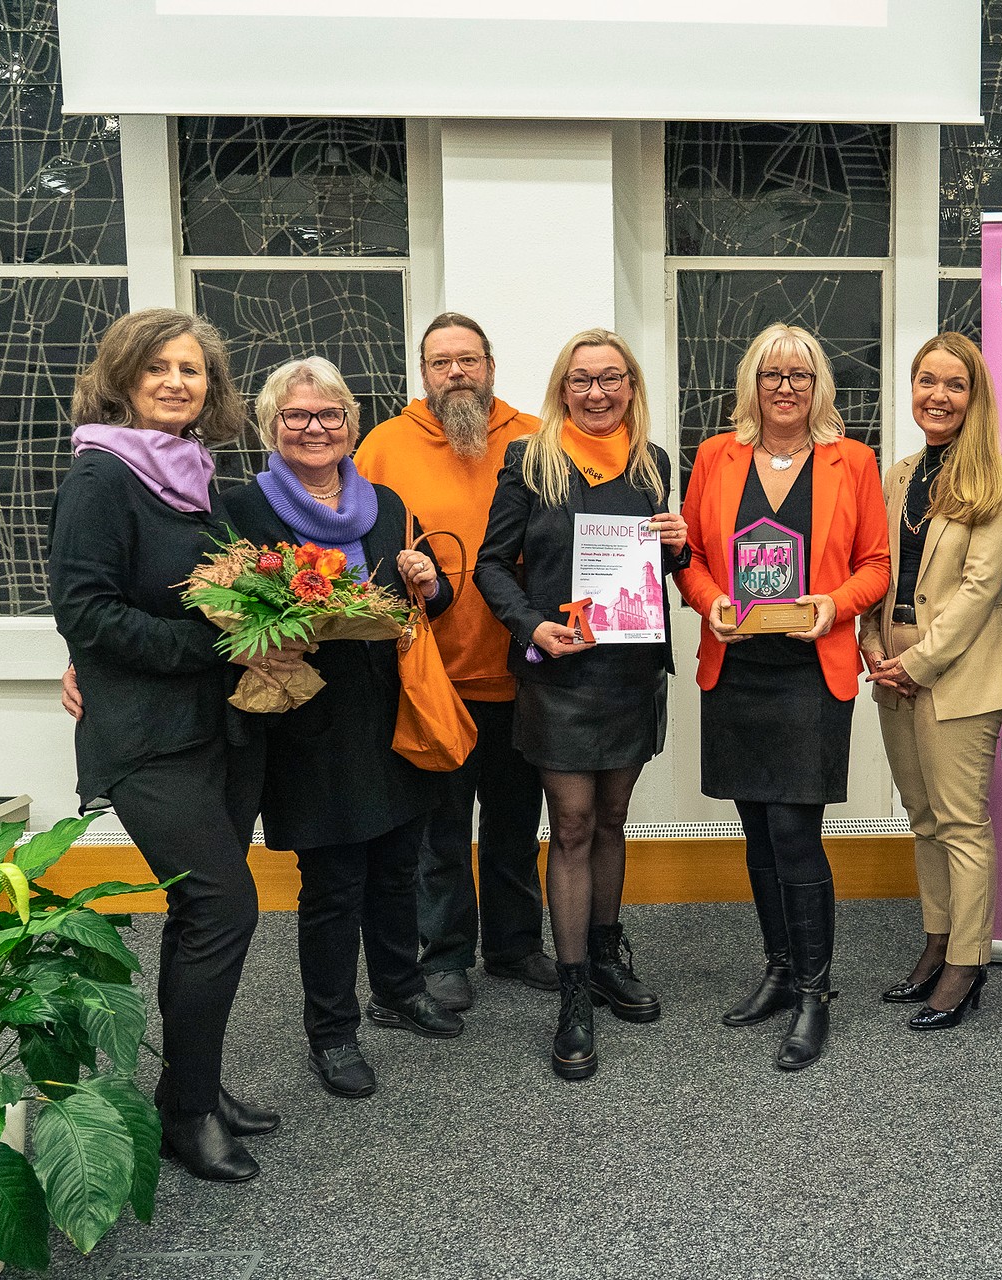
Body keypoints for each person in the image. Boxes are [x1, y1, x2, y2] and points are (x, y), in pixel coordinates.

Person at [48, 308, 296, 1182]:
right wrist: (216, 648)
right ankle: (187, 1116)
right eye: (157, 367)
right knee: (224, 909)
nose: (175, 382)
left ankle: (193, 1088)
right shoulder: (101, 476)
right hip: (148, 738)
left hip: (218, 729)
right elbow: (85, 612)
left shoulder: (193, 474)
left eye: (191, 369)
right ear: (122, 378)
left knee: (200, 915)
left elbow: (214, 592)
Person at [220, 357, 464, 1101]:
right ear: (271, 426)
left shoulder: (387, 505)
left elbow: (431, 603)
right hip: (309, 720)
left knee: (397, 864)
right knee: (333, 884)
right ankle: (332, 1031)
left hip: (394, 708)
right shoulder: (244, 511)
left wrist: (430, 582)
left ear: (352, 426)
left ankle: (399, 987)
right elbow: (225, 614)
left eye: (329, 415)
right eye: (296, 416)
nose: (314, 428)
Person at [674, 322, 890, 1071]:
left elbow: (875, 564)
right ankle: (776, 968)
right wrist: (710, 603)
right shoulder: (715, 456)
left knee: (796, 834)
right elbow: (690, 556)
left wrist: (834, 604)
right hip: (736, 671)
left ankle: (813, 993)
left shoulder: (852, 460)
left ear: (819, 384)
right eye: (773, 374)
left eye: (800, 374)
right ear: (753, 384)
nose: (786, 387)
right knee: (758, 834)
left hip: (809, 674)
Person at [475, 329, 688, 1080]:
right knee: (570, 825)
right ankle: (572, 994)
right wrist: (530, 625)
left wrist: (679, 543)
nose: (597, 393)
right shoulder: (530, 460)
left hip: (630, 671)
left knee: (611, 819)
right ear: (562, 389)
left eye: (611, 378)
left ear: (631, 386)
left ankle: (604, 956)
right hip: (560, 673)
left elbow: (659, 566)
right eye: (581, 379)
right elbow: (490, 564)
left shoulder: (652, 463)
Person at [354, 313, 554, 1009]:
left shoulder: (536, 438)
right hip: (430, 676)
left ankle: (515, 945)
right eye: (441, 363)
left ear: (491, 366)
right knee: (438, 832)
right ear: (424, 374)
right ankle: (443, 956)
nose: (456, 373)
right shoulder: (384, 445)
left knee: (514, 825)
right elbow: (356, 545)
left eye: (468, 360)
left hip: (524, 669)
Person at [858, 333, 1002, 1030]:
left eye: (955, 384)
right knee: (922, 818)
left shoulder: (999, 477)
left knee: (959, 823)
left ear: (974, 395)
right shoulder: (897, 475)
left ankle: (967, 961)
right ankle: (936, 940)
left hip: (954, 672)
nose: (939, 395)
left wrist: (918, 662)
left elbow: (983, 586)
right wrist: (872, 644)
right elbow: (875, 567)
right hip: (891, 663)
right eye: (928, 380)